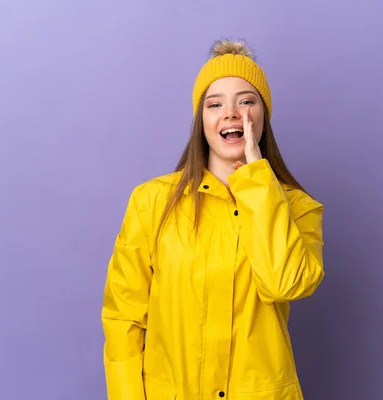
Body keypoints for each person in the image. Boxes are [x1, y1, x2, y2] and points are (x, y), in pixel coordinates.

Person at [101, 38, 325, 400]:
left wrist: (256, 181)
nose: (231, 113)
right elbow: (123, 318)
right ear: (201, 120)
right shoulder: (151, 203)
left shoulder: (297, 208)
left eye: (247, 101)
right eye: (215, 103)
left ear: (262, 117)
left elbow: (284, 284)